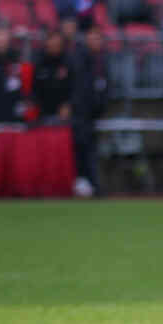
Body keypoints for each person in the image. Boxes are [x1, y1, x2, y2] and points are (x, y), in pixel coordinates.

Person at [68, 26, 110, 197]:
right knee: (84, 148)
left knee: (91, 148)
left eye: (98, 38)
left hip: (94, 113)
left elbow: (107, 85)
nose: (96, 42)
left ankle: (90, 183)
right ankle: (88, 183)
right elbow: (79, 87)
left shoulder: (101, 60)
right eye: (93, 38)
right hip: (81, 113)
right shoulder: (80, 59)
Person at [31, 30, 72, 124]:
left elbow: (75, 87)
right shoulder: (38, 62)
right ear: (46, 43)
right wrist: (35, 107)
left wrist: (69, 104)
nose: (54, 44)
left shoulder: (69, 62)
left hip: (65, 115)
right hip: (41, 114)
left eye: (57, 42)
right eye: (52, 41)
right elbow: (33, 88)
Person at [0, 25, 26, 123]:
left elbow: (20, 85)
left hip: (13, 114)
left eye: (3, 36)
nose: (0, 40)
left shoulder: (15, 58)